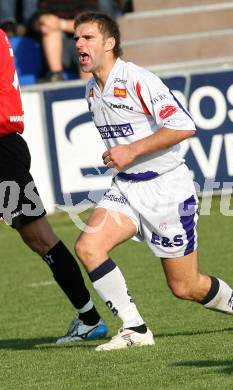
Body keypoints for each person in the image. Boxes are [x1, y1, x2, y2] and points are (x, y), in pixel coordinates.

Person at [73, 12, 233, 352]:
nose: (78, 44)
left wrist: (131, 150)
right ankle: (134, 327)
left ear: (109, 43)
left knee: (184, 286)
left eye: (87, 37)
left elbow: (183, 125)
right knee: (88, 247)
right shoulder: (92, 90)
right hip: (127, 187)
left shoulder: (137, 79)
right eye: (76, 38)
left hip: (166, 190)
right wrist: (124, 157)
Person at [0, 28, 108, 343]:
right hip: (7, 150)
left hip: (3, 152)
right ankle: (89, 317)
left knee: (41, 240)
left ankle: (90, 318)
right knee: (40, 241)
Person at [33, 0, 100, 82]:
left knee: (88, 42)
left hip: (83, 44)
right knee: (50, 29)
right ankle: (56, 76)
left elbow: (92, 23)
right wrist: (42, 22)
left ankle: (90, 89)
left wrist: (61, 24)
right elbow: (35, 21)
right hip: (55, 48)